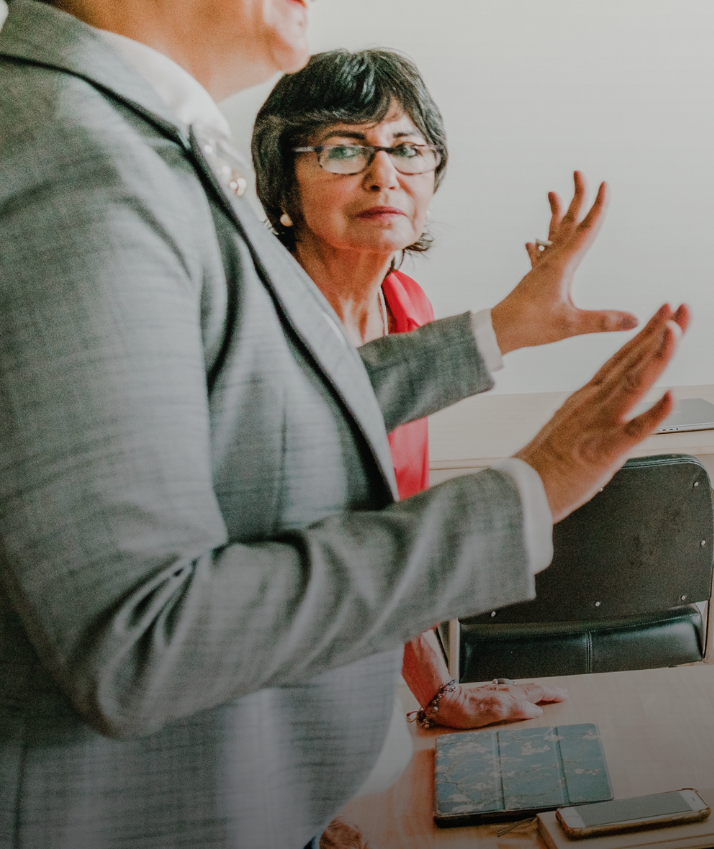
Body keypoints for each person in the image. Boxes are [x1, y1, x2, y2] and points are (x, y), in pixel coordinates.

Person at [0, 0, 687, 849]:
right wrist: (533, 485)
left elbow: (252, 421)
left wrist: (492, 337)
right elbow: (139, 635)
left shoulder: (124, 140)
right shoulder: (67, 172)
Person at [252, 48, 590, 749]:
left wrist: (438, 692)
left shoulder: (409, 308)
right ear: (284, 185)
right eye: (344, 151)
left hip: (358, 699)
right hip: (260, 713)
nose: (384, 174)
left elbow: (390, 537)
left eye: (407, 148)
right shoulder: (255, 321)